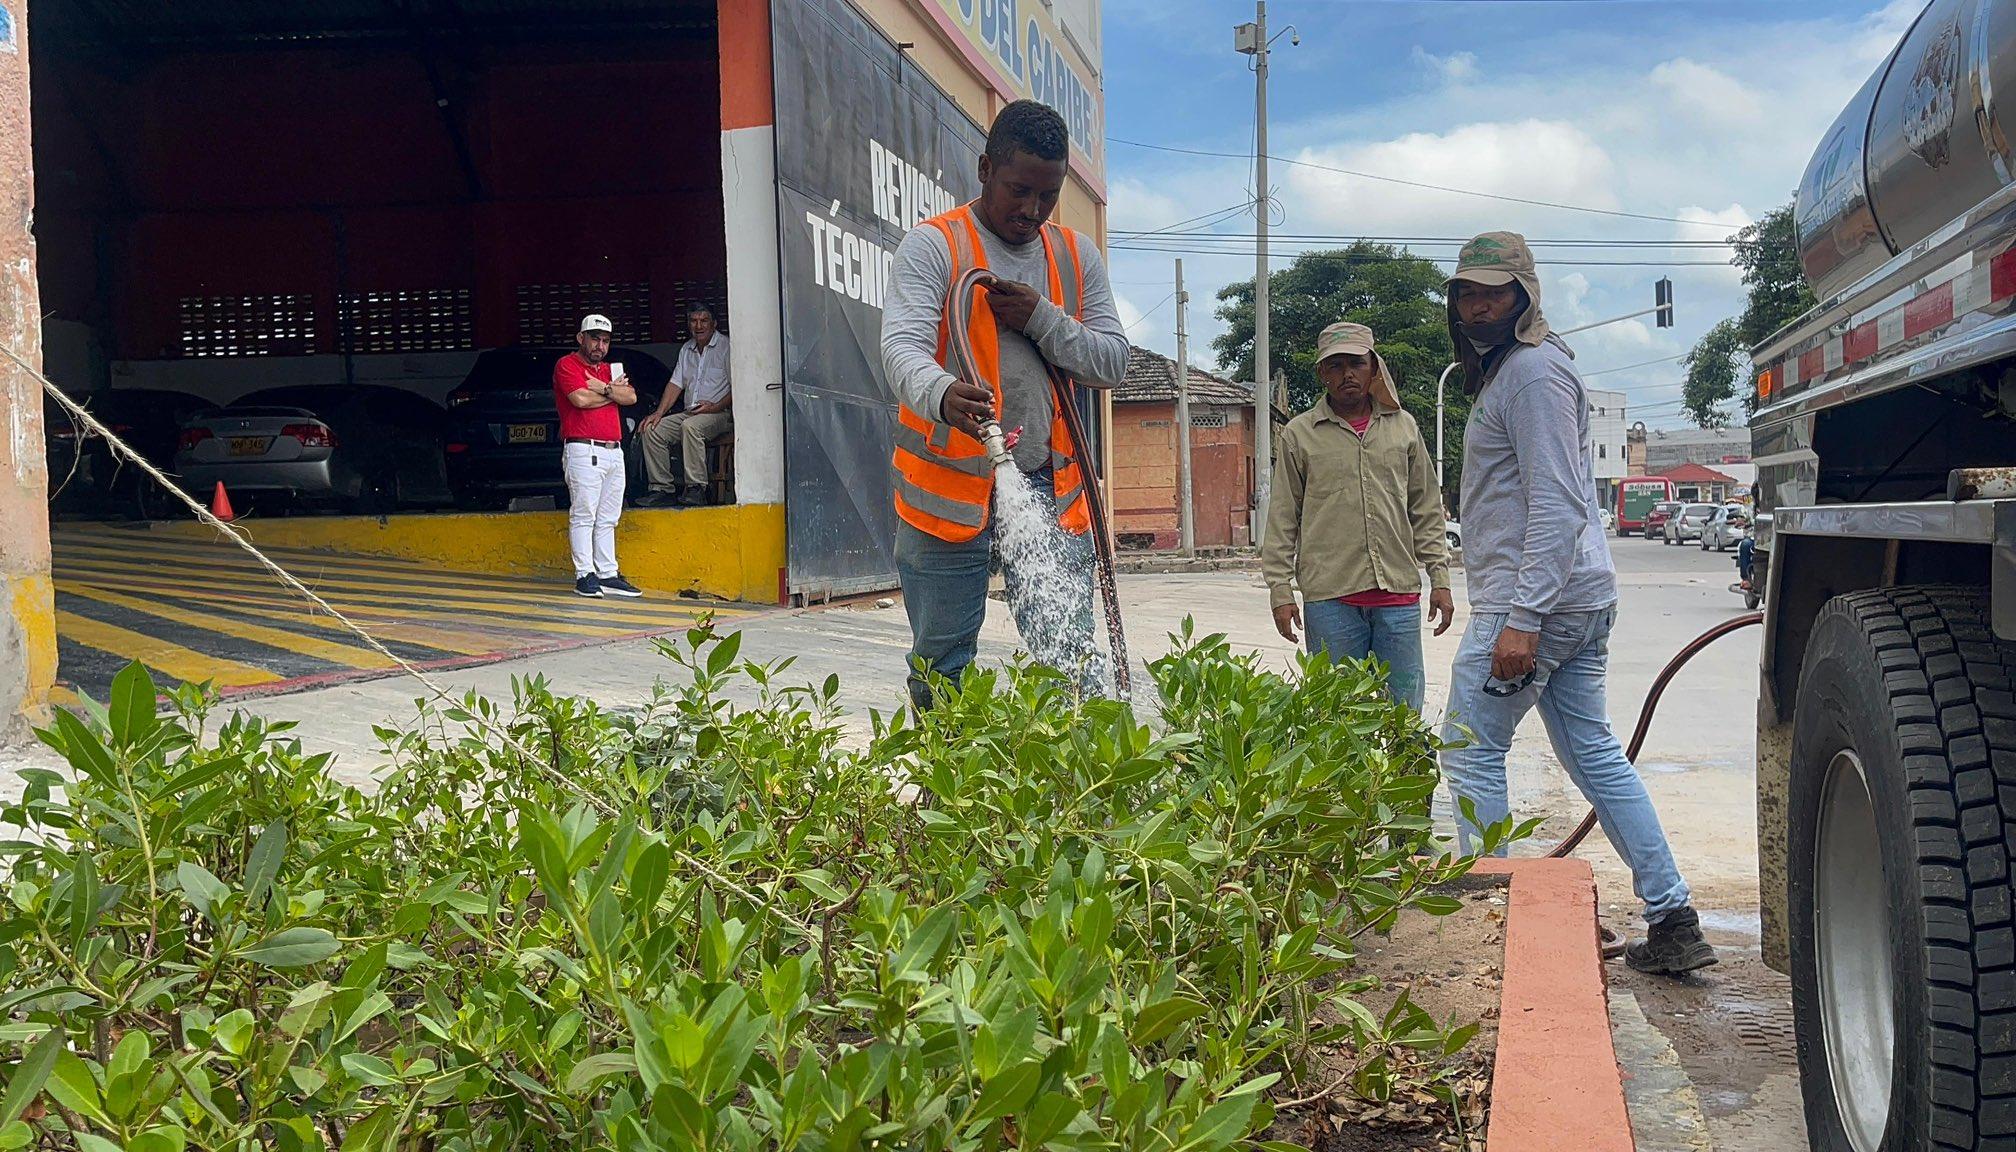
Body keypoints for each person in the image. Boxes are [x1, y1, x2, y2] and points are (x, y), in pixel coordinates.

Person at [1437, 231, 1713, 976]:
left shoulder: (1529, 374)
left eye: (1494, 290)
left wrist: (1523, 617)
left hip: (1540, 600)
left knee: (1469, 748)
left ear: (1525, 296)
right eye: (1466, 291)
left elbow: (1559, 504)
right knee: (1594, 754)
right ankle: (1674, 918)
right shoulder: (1520, 373)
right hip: (1575, 594)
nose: (1478, 303)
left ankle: (1493, 923)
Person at [880, 99, 1129, 711]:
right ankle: (953, 795)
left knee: (1067, 656)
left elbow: (1112, 362)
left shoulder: (1074, 256)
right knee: (942, 663)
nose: (1032, 211)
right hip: (947, 488)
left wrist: (1041, 318)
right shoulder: (934, 246)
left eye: (1048, 196)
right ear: (986, 168)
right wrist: (942, 394)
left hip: (1046, 486)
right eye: (1019, 190)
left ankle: (1078, 790)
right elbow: (900, 349)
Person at [1264, 321, 1453, 710]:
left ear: (1374, 368)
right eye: (1335, 365)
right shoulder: (1300, 435)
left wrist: (1441, 578)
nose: (1347, 374)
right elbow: (1283, 518)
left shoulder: (1404, 428)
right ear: (1322, 374)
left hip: (1398, 598)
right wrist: (1280, 591)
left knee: (1404, 715)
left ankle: (1406, 773)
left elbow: (1426, 510)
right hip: (1331, 601)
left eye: (1356, 363)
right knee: (1334, 720)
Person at [553, 314, 643, 599]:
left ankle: (607, 573)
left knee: (608, 516)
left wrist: (603, 388)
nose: (599, 345)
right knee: (584, 514)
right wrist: (613, 392)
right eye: (594, 338)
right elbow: (578, 400)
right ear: (581, 338)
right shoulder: (567, 364)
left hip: (613, 450)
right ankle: (585, 574)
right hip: (583, 447)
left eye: (605, 340)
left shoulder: (609, 369)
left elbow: (631, 398)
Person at [637, 305, 732, 507]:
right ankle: (661, 488)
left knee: (691, 427)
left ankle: (697, 488)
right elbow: (675, 384)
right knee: (652, 430)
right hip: (691, 413)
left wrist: (714, 407)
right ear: (689, 324)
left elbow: (738, 388)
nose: (699, 326)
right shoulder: (686, 349)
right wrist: (658, 413)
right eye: (694, 321)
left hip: (721, 414)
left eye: (704, 320)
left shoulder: (726, 347)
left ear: (714, 324)